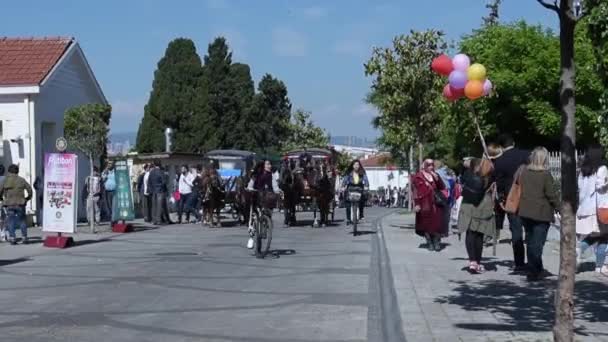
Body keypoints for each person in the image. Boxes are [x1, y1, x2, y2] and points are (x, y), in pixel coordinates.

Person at [518, 147, 560, 281]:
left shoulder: (524, 172)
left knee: (530, 241)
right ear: (544, 159)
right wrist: (559, 208)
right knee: (537, 243)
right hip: (541, 213)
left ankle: (535, 268)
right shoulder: (545, 174)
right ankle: (534, 270)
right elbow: (551, 195)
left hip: (525, 211)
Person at [493, 134, 530, 273]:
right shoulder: (526, 155)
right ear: (513, 142)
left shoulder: (500, 161)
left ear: (502, 147)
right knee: (530, 230)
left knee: (516, 231)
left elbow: (500, 182)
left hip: (512, 198)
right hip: (528, 196)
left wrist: (502, 199)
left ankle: (519, 262)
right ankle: (533, 260)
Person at [457, 158, 496, 273]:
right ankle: (477, 262)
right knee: (479, 234)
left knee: (470, 233)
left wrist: (466, 164)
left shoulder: (468, 175)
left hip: (469, 206)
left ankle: (473, 261)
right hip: (484, 207)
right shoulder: (490, 177)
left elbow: (463, 171)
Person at [576, 145, 608, 275]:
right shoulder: (602, 168)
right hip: (599, 209)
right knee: (605, 236)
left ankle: (579, 249)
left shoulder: (583, 170)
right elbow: (601, 186)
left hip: (585, 208)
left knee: (595, 236)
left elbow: (580, 189)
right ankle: (600, 266)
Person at [246, 159, 282, 249]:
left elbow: (275, 186)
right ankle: (251, 236)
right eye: (268, 164)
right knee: (253, 215)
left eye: (270, 164)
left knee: (269, 211)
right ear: (263, 166)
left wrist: (278, 191)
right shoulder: (256, 174)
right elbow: (251, 184)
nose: (270, 166)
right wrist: (250, 188)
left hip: (267, 198)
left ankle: (266, 226)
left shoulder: (271, 175)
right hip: (257, 197)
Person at [412, 158, 446, 251]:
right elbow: (415, 191)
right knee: (426, 223)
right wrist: (416, 204)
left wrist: (437, 178)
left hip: (435, 203)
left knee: (437, 223)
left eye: (432, 165)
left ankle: (437, 242)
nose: (431, 167)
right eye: (429, 165)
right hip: (424, 203)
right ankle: (429, 242)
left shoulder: (435, 175)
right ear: (425, 165)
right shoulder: (418, 176)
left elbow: (442, 187)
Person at [0, 164, 33, 245]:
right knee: (22, 221)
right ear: (17, 171)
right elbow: (30, 190)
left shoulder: (5, 180)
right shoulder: (22, 180)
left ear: (9, 171)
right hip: (20, 204)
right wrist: (26, 199)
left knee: (11, 221)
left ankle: (12, 238)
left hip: (9, 204)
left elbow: (0, 191)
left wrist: (2, 199)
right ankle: (24, 237)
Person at [341, 160, 369, 225]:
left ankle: (361, 215)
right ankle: (348, 219)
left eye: (358, 165)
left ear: (359, 166)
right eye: (355, 165)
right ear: (352, 166)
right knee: (347, 202)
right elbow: (345, 179)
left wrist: (366, 186)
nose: (356, 166)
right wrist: (343, 186)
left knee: (363, 199)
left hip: (359, 188)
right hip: (351, 188)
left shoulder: (362, 172)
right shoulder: (349, 172)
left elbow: (366, 179)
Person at [435, 160, 455, 237]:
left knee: (440, 214)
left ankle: (440, 231)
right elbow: (450, 185)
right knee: (445, 214)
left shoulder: (436, 173)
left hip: (439, 195)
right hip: (446, 195)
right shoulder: (444, 173)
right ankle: (444, 231)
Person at [147, 160, 166, 225]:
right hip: (160, 191)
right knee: (159, 206)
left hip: (153, 191)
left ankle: (153, 220)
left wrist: (150, 190)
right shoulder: (161, 172)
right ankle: (158, 220)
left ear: (154, 165)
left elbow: (149, 182)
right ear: (159, 164)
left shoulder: (151, 172)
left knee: (154, 206)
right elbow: (163, 182)